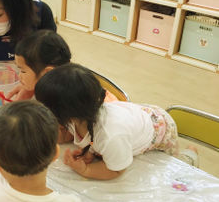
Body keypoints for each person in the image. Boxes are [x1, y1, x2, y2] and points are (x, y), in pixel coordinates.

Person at [35, 63, 179, 180]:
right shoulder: (80, 116)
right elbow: (89, 138)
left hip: (162, 129)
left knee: (171, 172)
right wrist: (90, 150)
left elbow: (117, 169)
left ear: (66, 113)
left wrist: (86, 170)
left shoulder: (111, 135)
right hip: (138, 115)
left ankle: (191, 154)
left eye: (45, 107)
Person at [8, 29, 119, 103]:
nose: (19, 76)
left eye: (23, 71)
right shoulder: (59, 78)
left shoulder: (64, 98)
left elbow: (59, 135)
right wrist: (28, 89)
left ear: (47, 73)